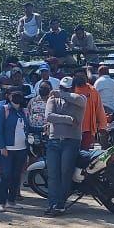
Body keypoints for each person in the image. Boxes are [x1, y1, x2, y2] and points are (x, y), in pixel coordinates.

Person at [44, 76, 86, 216]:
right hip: (54, 140)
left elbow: (79, 102)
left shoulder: (80, 98)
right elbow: (49, 116)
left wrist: (61, 94)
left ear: (73, 88)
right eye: (62, 88)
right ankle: (53, 204)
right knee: (53, 174)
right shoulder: (53, 99)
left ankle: (60, 205)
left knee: (65, 173)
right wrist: (68, 119)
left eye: (67, 89)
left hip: (71, 141)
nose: (64, 90)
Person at [0, 90, 29, 213]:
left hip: (22, 149)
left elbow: (28, 127)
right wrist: (2, 147)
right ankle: (2, 203)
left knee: (16, 176)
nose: (17, 98)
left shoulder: (23, 111)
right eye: (14, 95)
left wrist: (42, 128)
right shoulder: (3, 109)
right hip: (7, 149)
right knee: (6, 175)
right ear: (9, 97)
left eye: (20, 95)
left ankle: (12, 201)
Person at [72, 69, 108, 150]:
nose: (80, 78)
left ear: (86, 77)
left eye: (82, 76)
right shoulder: (70, 90)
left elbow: (99, 109)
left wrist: (102, 126)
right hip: (72, 130)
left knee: (85, 152)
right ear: (73, 77)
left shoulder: (92, 90)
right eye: (77, 76)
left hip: (88, 130)